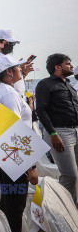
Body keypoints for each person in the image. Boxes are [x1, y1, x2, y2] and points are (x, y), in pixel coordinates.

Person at [0, 55, 38, 232]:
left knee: (7, 204)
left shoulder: (1, 90)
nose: (20, 70)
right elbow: (14, 131)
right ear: (8, 72)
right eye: (17, 67)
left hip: (6, 156)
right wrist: (29, 167)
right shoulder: (8, 93)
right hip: (14, 157)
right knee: (15, 207)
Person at [35, 53, 78, 204]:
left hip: (75, 130)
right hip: (60, 133)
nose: (71, 66)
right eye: (68, 63)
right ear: (57, 67)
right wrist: (53, 133)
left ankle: (73, 206)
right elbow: (40, 110)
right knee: (70, 175)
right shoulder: (45, 84)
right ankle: (62, 210)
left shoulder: (69, 85)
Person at [0, 29, 33, 97]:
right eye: (9, 43)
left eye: (13, 43)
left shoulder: (9, 58)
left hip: (17, 96)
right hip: (8, 97)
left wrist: (23, 73)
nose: (11, 46)